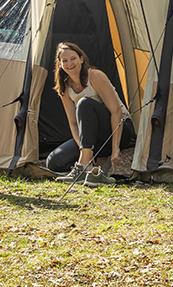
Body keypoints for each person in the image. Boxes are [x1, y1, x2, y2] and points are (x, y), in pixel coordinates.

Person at [46, 42, 134, 186]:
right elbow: (74, 124)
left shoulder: (95, 76)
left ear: (81, 59)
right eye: (65, 60)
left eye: (73, 58)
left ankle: (82, 166)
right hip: (92, 138)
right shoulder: (64, 87)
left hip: (120, 130)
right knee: (53, 162)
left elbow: (116, 111)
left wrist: (115, 148)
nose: (69, 63)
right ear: (59, 64)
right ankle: (89, 164)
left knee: (84, 103)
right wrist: (83, 148)